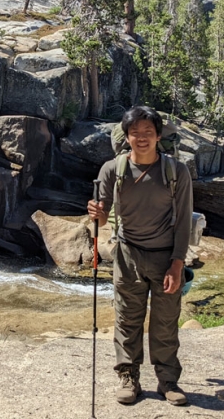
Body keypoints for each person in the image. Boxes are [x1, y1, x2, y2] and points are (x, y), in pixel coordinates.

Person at [87, 105, 193, 406]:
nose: (142, 138)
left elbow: (184, 220)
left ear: (158, 136)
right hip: (127, 254)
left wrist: (177, 263)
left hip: (165, 256)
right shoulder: (112, 170)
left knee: (165, 321)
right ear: (127, 136)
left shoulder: (176, 171)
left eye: (148, 132)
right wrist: (97, 213)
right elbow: (103, 220)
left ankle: (168, 381)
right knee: (127, 319)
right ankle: (128, 378)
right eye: (135, 133)